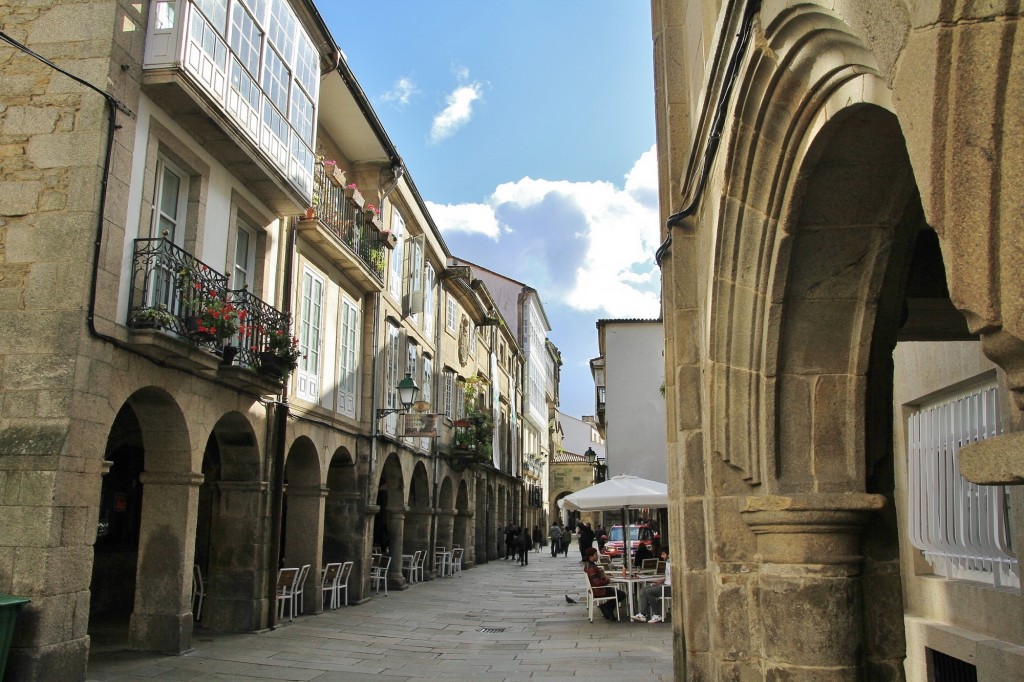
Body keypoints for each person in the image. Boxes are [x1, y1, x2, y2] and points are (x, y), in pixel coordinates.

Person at [583, 547, 626, 621]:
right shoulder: (591, 568)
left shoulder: (589, 565)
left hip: (597, 589)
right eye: (596, 554)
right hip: (599, 590)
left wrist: (604, 577)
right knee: (621, 594)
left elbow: (597, 579)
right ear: (591, 556)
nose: (597, 556)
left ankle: (607, 608)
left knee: (618, 592)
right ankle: (606, 607)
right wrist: (608, 580)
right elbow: (597, 583)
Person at [631, 548, 671, 624]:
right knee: (645, 589)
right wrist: (661, 580)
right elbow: (668, 576)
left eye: (663, 554)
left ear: (668, 555)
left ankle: (656, 614)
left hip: (668, 587)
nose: (661, 556)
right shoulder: (668, 563)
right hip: (665, 585)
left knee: (649, 591)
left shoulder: (672, 564)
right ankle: (643, 614)